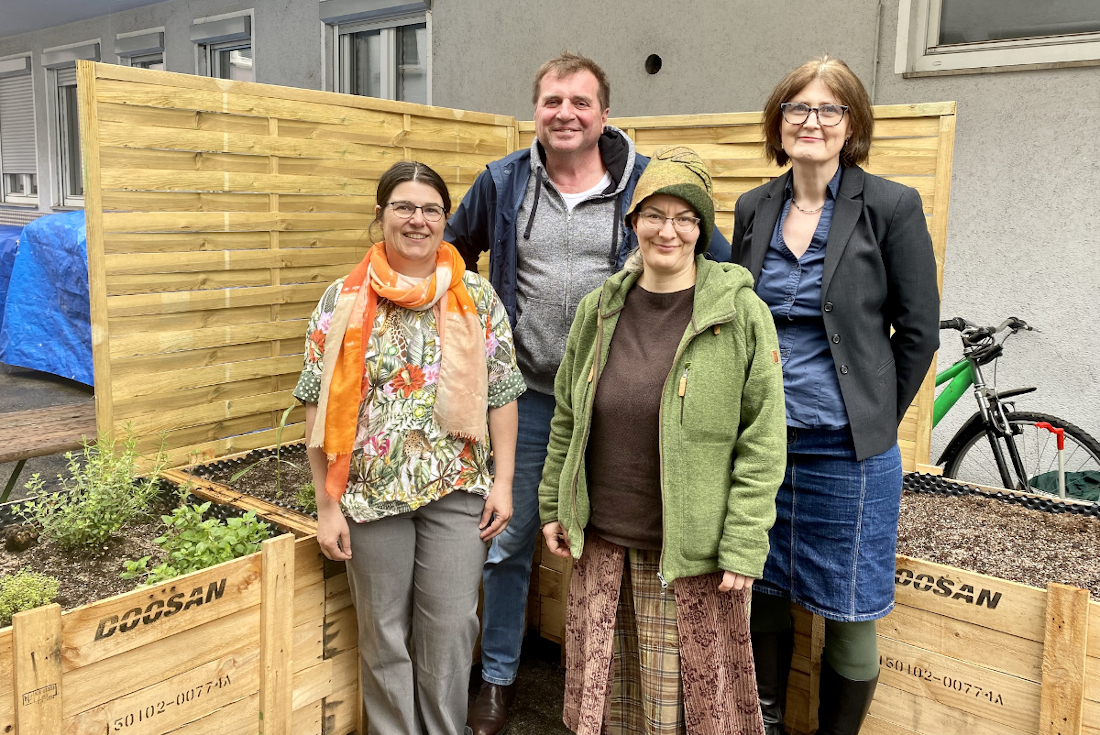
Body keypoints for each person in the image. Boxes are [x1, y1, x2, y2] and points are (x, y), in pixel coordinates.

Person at [447, 51, 734, 735]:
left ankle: (628, 694)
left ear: (604, 113)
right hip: (528, 397)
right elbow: (455, 252)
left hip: (628, 400)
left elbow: (716, 260)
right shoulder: (503, 182)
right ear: (536, 110)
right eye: (552, 101)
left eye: (580, 102)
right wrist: (468, 338)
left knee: (626, 537)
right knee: (509, 539)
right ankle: (497, 679)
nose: (565, 113)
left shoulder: (645, 181)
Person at [539, 146, 786, 735]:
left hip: (690, 557)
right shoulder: (599, 309)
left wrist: (744, 543)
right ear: (633, 223)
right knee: (606, 707)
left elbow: (763, 441)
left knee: (684, 713)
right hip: (602, 545)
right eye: (653, 215)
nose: (667, 231)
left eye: (684, 218)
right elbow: (568, 416)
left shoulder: (740, 315)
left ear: (701, 230)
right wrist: (554, 503)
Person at [732, 55, 940, 735]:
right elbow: (737, 316)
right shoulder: (755, 207)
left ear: (852, 125)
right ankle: (762, 721)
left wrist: (873, 416)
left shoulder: (890, 206)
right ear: (778, 121)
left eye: (828, 109)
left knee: (851, 609)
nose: (811, 121)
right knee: (760, 593)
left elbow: (917, 332)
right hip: (763, 447)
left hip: (849, 456)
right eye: (797, 108)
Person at [296, 161, 525, 735]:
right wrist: (327, 507)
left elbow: (502, 393)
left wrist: (502, 482)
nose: (417, 220)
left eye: (430, 209)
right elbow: (315, 406)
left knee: (450, 628)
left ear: (445, 221)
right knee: (383, 634)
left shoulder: (477, 295)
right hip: (370, 494)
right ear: (381, 216)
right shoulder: (340, 300)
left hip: (458, 486)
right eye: (403, 206)